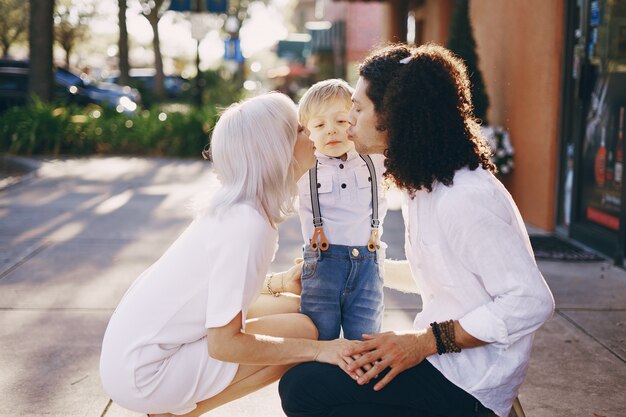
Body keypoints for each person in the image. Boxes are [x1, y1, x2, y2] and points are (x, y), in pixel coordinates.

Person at [279, 44, 555, 417]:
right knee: (303, 382)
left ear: (393, 116)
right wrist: (346, 267)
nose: (349, 120)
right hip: (442, 364)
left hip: (469, 384)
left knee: (312, 394)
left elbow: (530, 300)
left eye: (358, 109)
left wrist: (423, 342)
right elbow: (443, 276)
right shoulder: (424, 184)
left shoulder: (465, 198)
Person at [99, 92, 357, 417]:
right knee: (304, 331)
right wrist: (320, 351)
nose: (310, 134)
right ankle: (172, 414)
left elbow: (217, 298)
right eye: (299, 130)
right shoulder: (248, 225)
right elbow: (223, 343)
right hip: (147, 375)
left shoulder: (237, 208)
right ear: (276, 150)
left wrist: (278, 282)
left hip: (128, 362)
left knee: (296, 309)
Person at [296, 79, 388, 341]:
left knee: (365, 343)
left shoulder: (375, 160)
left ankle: (360, 382)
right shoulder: (303, 168)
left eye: (341, 121)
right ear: (306, 133)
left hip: (368, 271)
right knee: (319, 341)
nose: (331, 131)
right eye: (319, 125)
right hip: (322, 271)